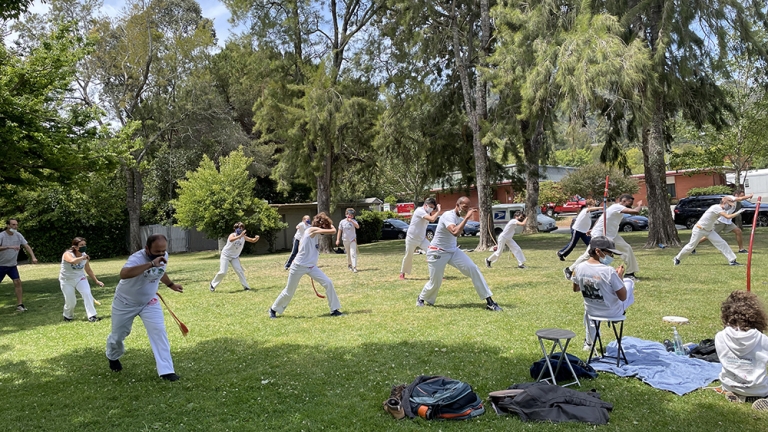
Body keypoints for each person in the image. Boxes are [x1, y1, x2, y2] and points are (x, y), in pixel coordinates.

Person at [106, 234, 184, 381]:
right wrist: (151, 264)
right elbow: (124, 274)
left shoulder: (162, 255)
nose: (161, 255)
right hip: (125, 303)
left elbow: (160, 272)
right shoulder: (137, 258)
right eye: (157, 252)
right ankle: (113, 356)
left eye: (163, 251)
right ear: (147, 248)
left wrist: (171, 285)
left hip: (149, 301)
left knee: (158, 331)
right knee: (118, 336)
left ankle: (167, 371)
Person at [416, 197, 502, 311]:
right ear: (457, 205)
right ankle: (421, 298)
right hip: (437, 251)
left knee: (473, 269)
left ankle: (490, 302)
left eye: (468, 207)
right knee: (435, 282)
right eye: (464, 207)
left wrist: (464, 218)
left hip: (453, 251)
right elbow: (455, 232)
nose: (466, 210)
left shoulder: (458, 217)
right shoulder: (448, 215)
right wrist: (466, 217)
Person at [269, 212, 343, 318]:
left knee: (328, 283)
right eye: (324, 225)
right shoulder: (311, 230)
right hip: (298, 266)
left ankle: (334, 310)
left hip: (311, 267)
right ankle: (273, 309)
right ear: (319, 224)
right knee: (289, 291)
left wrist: (325, 221)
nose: (325, 228)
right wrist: (327, 222)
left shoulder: (315, 234)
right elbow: (333, 230)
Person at [571, 237, 635, 351]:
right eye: (609, 253)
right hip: (612, 311)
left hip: (592, 311)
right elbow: (623, 297)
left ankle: (589, 342)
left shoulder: (578, 267)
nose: (612, 256)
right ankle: (591, 340)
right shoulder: (608, 271)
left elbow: (576, 288)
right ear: (597, 251)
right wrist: (619, 277)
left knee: (589, 309)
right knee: (629, 282)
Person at [564, 195, 643, 281]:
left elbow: (601, 218)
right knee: (589, 254)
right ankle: (570, 270)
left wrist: (592, 229)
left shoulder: (615, 209)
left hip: (612, 235)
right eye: (630, 202)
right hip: (600, 234)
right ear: (623, 201)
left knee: (627, 248)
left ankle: (629, 273)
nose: (631, 205)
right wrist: (639, 205)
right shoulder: (617, 207)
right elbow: (635, 212)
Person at [715, 290, 768, 410]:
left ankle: (738, 396)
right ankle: (761, 400)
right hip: (758, 390)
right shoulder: (763, 340)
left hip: (729, 385)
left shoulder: (720, 337)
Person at [673, 195, 744, 266]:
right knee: (691, 246)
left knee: (722, 243)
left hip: (709, 230)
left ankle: (732, 260)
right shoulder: (716, 208)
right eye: (729, 205)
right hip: (699, 229)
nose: (730, 207)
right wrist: (738, 213)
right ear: (724, 203)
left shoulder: (721, 209)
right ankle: (677, 258)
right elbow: (728, 217)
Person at [59, 237, 104, 322]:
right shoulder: (67, 254)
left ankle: (92, 316)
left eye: (85, 244)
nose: (84, 246)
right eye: (81, 245)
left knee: (87, 294)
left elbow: (88, 270)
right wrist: (82, 258)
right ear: (75, 247)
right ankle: (68, 316)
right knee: (71, 301)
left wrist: (96, 281)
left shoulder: (84, 255)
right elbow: (72, 261)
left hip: (80, 278)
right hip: (66, 280)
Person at [0, 219, 38, 312]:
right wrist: (9, 247)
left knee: (17, 282)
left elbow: (27, 246)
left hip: (12, 265)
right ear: (8, 225)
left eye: (16, 225)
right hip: (1, 265)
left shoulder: (18, 235)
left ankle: (20, 305)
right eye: (13, 225)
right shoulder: (1, 235)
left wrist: (33, 257)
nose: (15, 226)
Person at [209, 222, 260, 292]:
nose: (240, 229)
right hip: (225, 255)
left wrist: (256, 238)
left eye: (242, 228)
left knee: (239, 271)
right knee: (223, 272)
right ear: (235, 229)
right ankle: (212, 284)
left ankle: (246, 287)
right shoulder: (232, 235)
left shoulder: (243, 237)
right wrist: (240, 236)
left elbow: (252, 240)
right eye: (239, 228)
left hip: (235, 257)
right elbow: (231, 239)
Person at [400, 198, 441, 279]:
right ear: (425, 205)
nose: (431, 209)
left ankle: (436, 274)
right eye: (430, 207)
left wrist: (425, 236)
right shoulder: (419, 210)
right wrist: (439, 211)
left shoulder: (428, 213)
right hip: (411, 238)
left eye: (433, 208)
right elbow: (432, 219)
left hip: (422, 239)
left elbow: (423, 226)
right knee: (408, 256)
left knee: (433, 253)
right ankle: (402, 273)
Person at [336, 208, 360, 273]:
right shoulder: (342, 222)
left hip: (352, 239)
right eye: (349, 214)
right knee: (348, 253)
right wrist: (337, 239)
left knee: (353, 253)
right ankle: (349, 265)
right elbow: (339, 231)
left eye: (352, 215)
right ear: (346, 214)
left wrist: (351, 221)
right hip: (345, 240)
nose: (350, 216)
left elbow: (357, 227)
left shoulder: (354, 221)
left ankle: (354, 267)